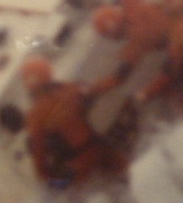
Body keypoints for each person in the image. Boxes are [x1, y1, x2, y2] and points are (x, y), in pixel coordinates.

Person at [18, 57, 129, 185]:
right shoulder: (68, 88)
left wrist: (58, 184)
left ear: (27, 85)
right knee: (130, 178)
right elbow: (97, 88)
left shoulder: (34, 115)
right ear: (48, 74)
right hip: (98, 147)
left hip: (80, 162)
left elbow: (40, 167)